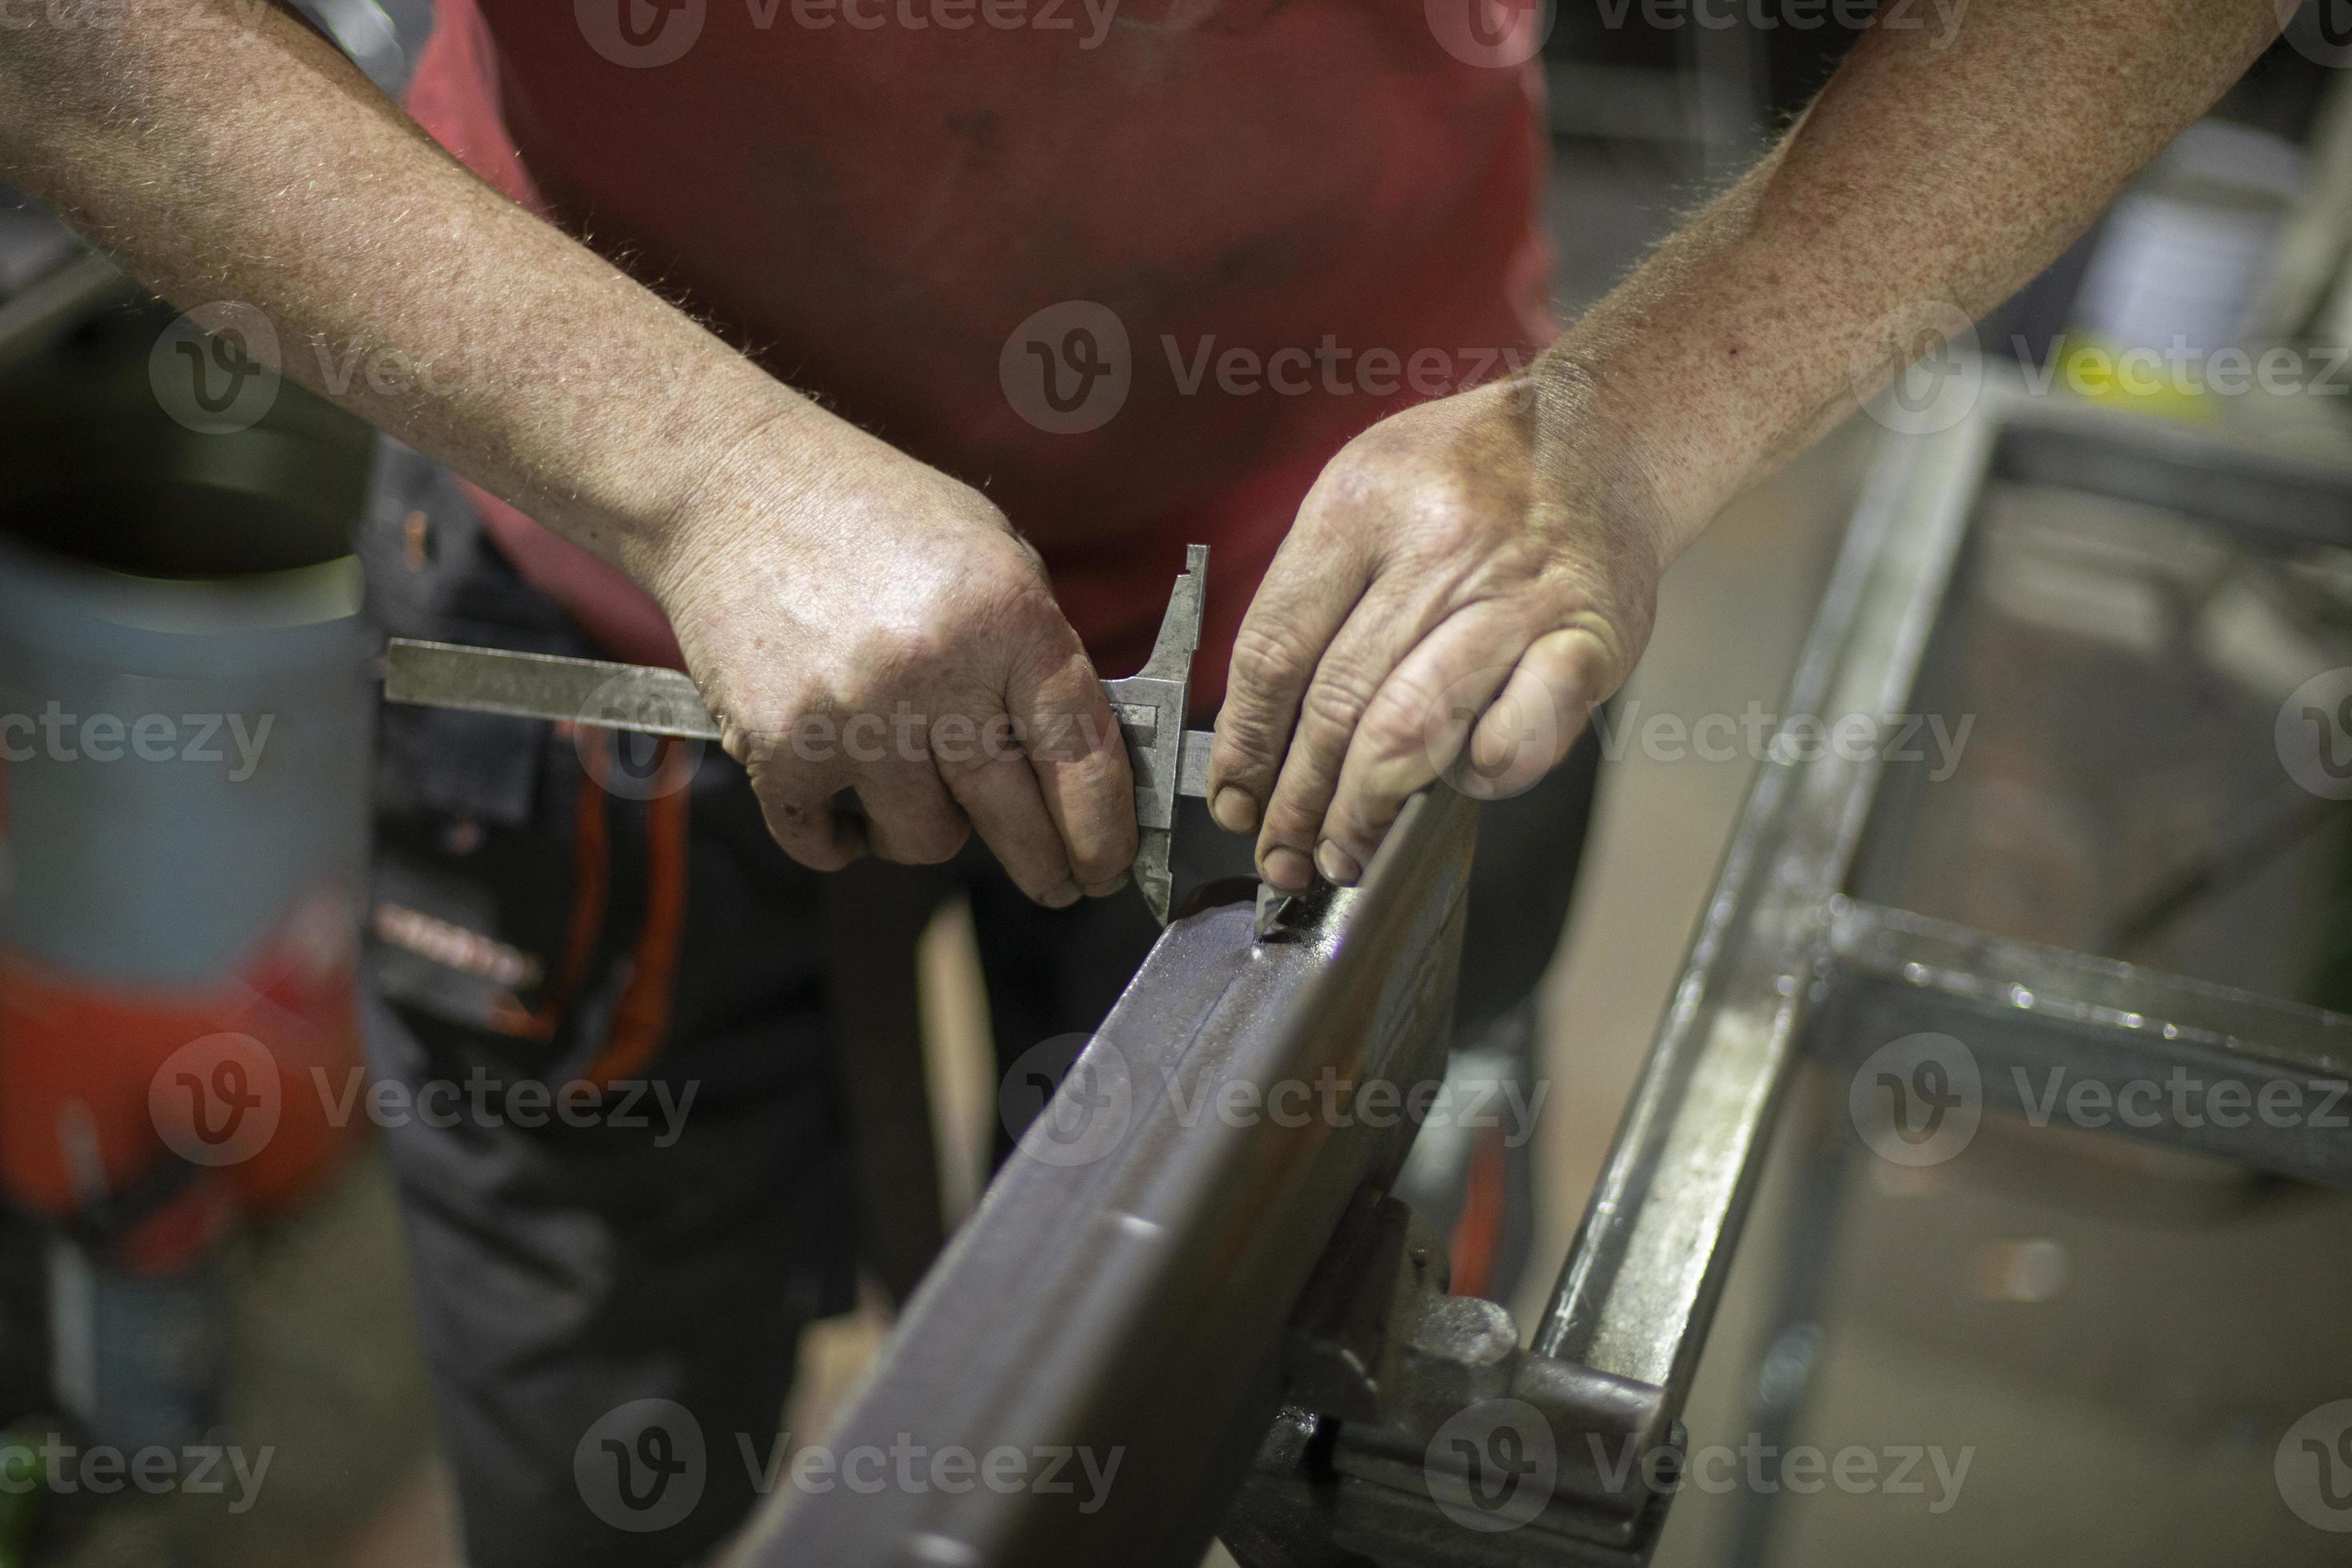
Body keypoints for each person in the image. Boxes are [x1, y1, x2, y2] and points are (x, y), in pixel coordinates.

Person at [0, 0, 2288, 1559]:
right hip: (592, 557)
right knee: (608, 1468)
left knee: (1286, 1431)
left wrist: (1644, 420)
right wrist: (690, 472)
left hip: (1370, 610)